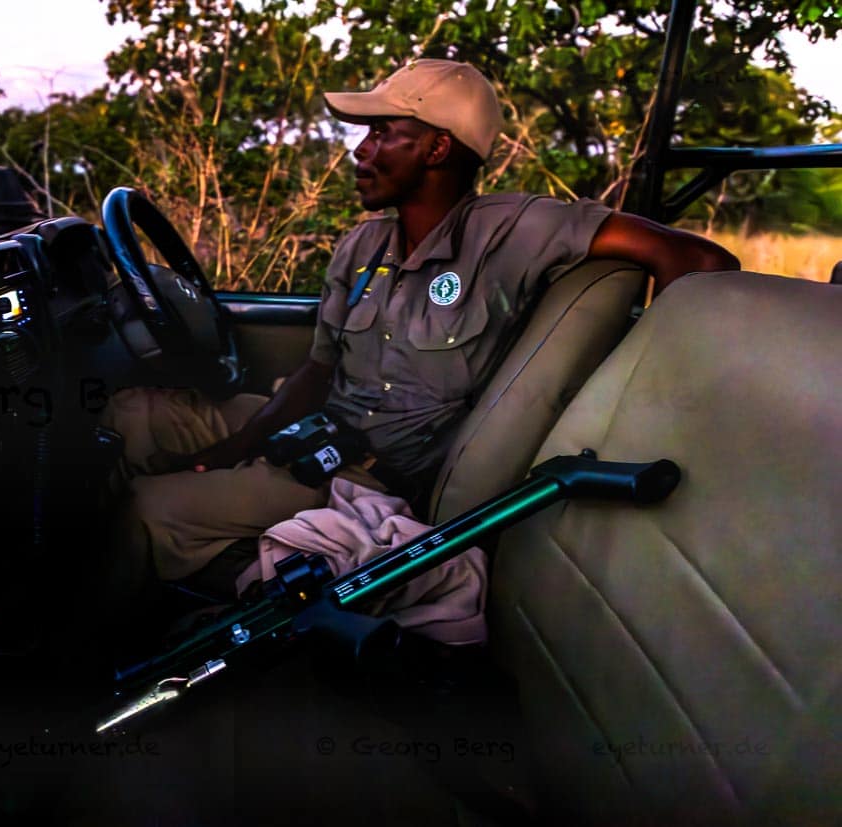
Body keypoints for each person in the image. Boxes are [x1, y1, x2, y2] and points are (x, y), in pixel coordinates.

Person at [102, 58, 739, 592]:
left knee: (143, 510)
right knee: (130, 417)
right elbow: (318, 369)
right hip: (312, 429)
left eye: (382, 133)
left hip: (367, 476)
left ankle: (75, 669)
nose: (362, 150)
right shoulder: (363, 245)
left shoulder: (516, 230)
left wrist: (655, 402)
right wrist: (235, 447)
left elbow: (700, 259)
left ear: (436, 147)